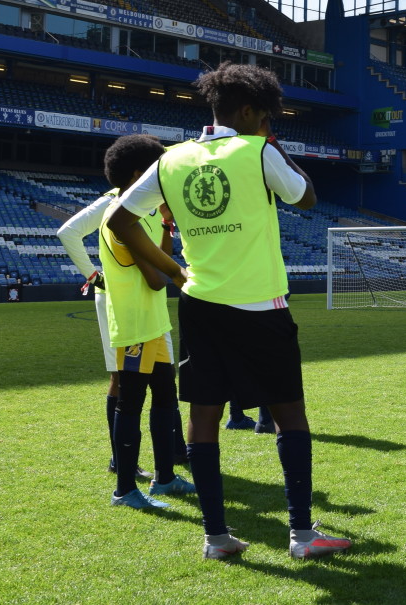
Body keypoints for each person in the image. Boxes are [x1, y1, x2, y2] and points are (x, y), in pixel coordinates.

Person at [107, 61, 351, 562]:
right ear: (249, 111)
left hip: (200, 305)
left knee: (203, 416)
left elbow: (119, 218)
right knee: (288, 412)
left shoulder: (171, 160)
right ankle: (303, 535)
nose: (270, 123)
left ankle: (216, 537)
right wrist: (270, 141)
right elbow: (306, 197)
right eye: (267, 116)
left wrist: (176, 272)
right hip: (261, 305)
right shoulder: (258, 150)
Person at [98, 134, 196, 509]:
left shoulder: (141, 216)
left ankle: (165, 478)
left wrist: (168, 226)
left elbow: (158, 262)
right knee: (131, 403)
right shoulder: (118, 219)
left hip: (153, 323)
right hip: (135, 325)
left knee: (165, 400)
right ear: (141, 175)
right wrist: (179, 273)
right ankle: (125, 489)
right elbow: (156, 278)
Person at [59, 182, 180, 479]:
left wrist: (167, 222)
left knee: (163, 377)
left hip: (151, 302)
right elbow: (68, 232)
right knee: (122, 377)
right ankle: (120, 458)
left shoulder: (153, 201)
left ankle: (172, 454)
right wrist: (93, 276)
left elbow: (160, 260)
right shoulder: (113, 202)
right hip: (122, 300)